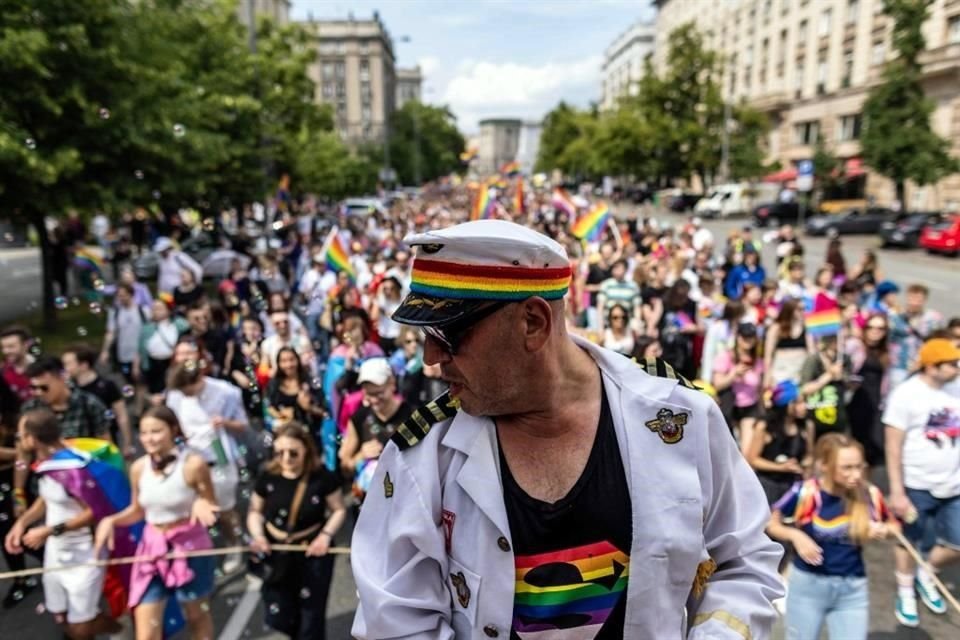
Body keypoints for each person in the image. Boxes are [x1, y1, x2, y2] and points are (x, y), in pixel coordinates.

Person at [351, 220, 784, 639]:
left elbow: (743, 561)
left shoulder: (679, 419)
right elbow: (395, 622)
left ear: (533, 323)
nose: (430, 357)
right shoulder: (422, 456)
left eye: (447, 335)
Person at [94, 406, 218, 640]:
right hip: (152, 549)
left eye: (156, 431)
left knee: (196, 617)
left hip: (190, 547)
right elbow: (137, 511)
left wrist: (201, 504)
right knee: (146, 632)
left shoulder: (193, 464)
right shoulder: (139, 468)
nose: (149, 438)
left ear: (173, 430)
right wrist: (111, 521)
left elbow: (211, 506)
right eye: (144, 433)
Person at [5, 409, 123, 639]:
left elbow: (94, 511)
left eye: (21, 435)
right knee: (61, 617)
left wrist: (50, 530)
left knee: (80, 627)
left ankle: (124, 630)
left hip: (86, 552)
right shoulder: (49, 466)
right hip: (57, 552)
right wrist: (21, 524)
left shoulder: (72, 468)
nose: (18, 440)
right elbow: (47, 499)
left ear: (32, 438)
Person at [768, 434, 897, 640]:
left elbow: (894, 526)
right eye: (847, 467)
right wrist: (795, 535)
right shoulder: (806, 493)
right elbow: (771, 523)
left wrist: (883, 530)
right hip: (808, 587)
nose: (855, 474)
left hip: (852, 589)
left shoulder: (869, 494)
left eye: (859, 466)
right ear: (825, 465)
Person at [882, 337, 960, 628]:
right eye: (952, 364)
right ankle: (905, 592)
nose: (958, 367)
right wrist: (897, 491)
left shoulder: (957, 389)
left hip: (954, 486)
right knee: (908, 542)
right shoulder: (906, 395)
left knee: (957, 543)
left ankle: (926, 573)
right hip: (916, 485)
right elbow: (893, 446)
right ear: (932, 366)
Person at [247, 422, 347, 639]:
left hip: (312, 551)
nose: (286, 459)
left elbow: (339, 509)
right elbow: (255, 511)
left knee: (311, 615)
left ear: (306, 450)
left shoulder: (322, 478)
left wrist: (325, 537)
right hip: (276, 551)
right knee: (279, 615)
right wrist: (258, 536)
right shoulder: (267, 476)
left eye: (293, 453)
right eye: (279, 453)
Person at [165, 361, 248, 575]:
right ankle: (200, 552)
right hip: (190, 464)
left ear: (199, 379)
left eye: (188, 391)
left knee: (225, 510)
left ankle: (234, 546)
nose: (186, 395)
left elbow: (242, 426)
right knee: (192, 511)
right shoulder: (176, 396)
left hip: (219, 462)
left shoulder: (227, 392)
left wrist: (226, 423)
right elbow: (173, 428)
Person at [338, 358, 412, 503]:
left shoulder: (412, 415)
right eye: (368, 394)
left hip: (405, 499)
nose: (374, 400)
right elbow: (345, 467)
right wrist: (360, 456)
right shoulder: (359, 418)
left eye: (378, 393)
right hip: (369, 502)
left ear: (392, 384)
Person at [61, 344, 135, 459]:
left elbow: (122, 415)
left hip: (105, 441)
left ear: (84, 365)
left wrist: (127, 443)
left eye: (69, 364)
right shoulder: (68, 390)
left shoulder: (106, 386)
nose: (65, 368)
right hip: (78, 446)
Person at [711, 322, 765, 445]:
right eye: (744, 337)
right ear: (738, 337)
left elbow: (759, 388)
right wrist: (733, 375)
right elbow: (717, 384)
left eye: (751, 337)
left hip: (750, 406)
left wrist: (762, 410)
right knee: (731, 446)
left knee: (746, 449)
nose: (748, 341)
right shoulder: (726, 356)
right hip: (730, 407)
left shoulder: (757, 360)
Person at [136, 298, 190, 398]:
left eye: (159, 308)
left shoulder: (176, 324)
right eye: (154, 309)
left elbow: (187, 326)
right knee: (155, 391)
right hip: (153, 364)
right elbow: (140, 349)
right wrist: (136, 366)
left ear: (168, 310)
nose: (155, 312)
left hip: (171, 363)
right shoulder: (147, 328)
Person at [800, 335, 849, 441]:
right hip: (816, 415)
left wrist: (845, 379)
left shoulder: (844, 359)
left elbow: (848, 385)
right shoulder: (813, 360)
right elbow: (805, 389)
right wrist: (829, 375)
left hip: (838, 416)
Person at [265, 346, 327, 431]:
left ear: (298, 360)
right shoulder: (273, 384)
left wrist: (309, 407)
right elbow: (268, 408)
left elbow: (325, 413)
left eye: (292, 359)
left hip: (309, 432)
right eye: (284, 361)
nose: (289, 365)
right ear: (278, 364)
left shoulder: (309, 382)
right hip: (285, 434)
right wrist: (281, 415)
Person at [100, 282, 147, 384]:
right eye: (118, 296)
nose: (120, 298)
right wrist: (105, 350)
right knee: (128, 381)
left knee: (142, 382)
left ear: (131, 294)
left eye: (123, 295)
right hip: (123, 355)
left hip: (141, 354)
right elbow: (111, 333)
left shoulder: (143, 311)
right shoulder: (115, 312)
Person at [1, 324, 34, 403]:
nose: (5, 351)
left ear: (26, 345)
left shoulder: (44, 367)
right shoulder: (3, 373)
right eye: (3, 347)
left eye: (11, 346)